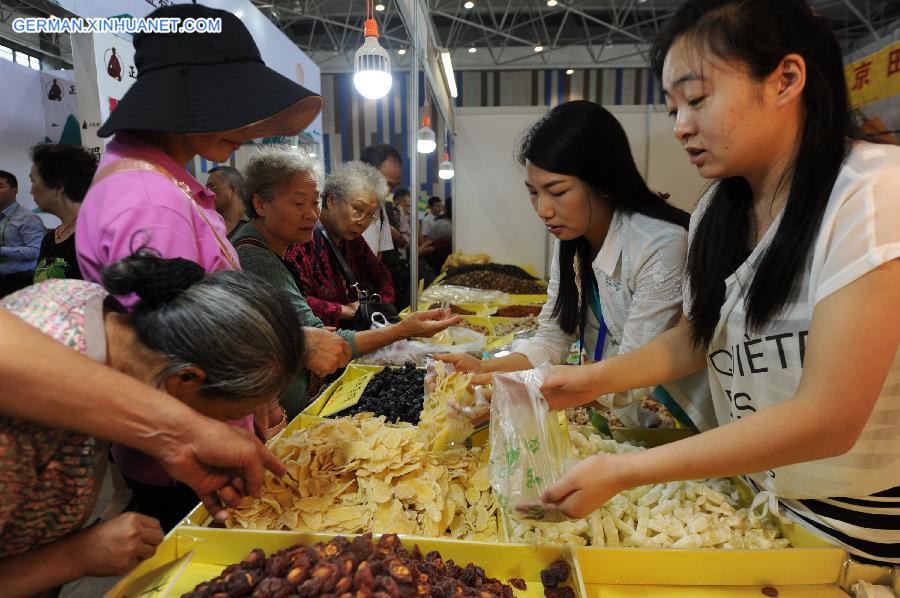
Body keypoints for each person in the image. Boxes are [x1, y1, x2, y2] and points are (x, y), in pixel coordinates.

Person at [534, 0, 900, 565]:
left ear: (786, 79)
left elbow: (829, 418)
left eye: (697, 99)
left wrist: (628, 470)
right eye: (673, 106)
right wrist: (593, 380)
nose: (681, 125)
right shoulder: (718, 211)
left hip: (848, 537)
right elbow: (698, 335)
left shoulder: (873, 195)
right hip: (751, 506)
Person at [74, 2, 326, 526]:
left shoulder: (161, 184)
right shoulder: (151, 199)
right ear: (183, 100)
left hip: (206, 438)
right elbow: (174, 354)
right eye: (230, 103)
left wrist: (257, 402)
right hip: (194, 457)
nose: (247, 127)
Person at [0, 250, 305, 594]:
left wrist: (167, 438)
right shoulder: (19, 432)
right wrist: (74, 556)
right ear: (186, 380)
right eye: (233, 415)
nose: (228, 427)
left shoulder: (93, 313)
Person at [438, 100, 713, 430]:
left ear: (603, 182)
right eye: (533, 193)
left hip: (687, 412)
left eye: (556, 191)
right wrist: (484, 371)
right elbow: (552, 339)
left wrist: (519, 389)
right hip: (634, 409)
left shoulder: (660, 245)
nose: (543, 209)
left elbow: (633, 367)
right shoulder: (570, 243)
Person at [232, 146, 459, 417]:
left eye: (313, 201)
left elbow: (378, 276)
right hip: (282, 408)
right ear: (260, 204)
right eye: (298, 203)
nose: (311, 214)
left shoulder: (280, 244)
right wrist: (400, 329)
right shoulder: (257, 258)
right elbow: (324, 342)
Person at [287, 161, 397, 327]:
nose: (363, 222)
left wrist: (377, 302)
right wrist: (345, 311)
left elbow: (381, 275)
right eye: (358, 211)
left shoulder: (353, 240)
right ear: (331, 200)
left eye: (370, 215)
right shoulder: (302, 237)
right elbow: (293, 300)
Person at [29, 143, 98, 282]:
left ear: (58, 187)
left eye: (33, 180)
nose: (31, 190)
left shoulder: (94, 235)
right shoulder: (49, 239)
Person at [0, 170, 45, 297]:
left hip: (18, 281)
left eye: (0, 186)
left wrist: (2, 250)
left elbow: (36, 251)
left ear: (15, 190)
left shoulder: (28, 218)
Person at [360, 143, 402, 257]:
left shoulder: (380, 211)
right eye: (384, 183)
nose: (387, 191)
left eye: (392, 186)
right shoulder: (341, 209)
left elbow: (379, 254)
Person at [207, 165, 249, 239]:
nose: (208, 193)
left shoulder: (254, 224)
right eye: (207, 188)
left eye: (212, 187)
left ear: (232, 189)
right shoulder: (207, 223)